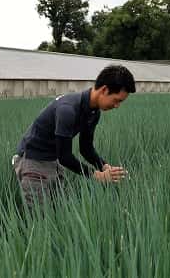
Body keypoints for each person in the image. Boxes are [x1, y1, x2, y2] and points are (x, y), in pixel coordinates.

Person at [12, 64, 135, 206]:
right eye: (117, 100)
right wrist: (98, 176)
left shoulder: (94, 112)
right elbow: (65, 157)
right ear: (104, 90)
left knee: (59, 210)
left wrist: (104, 166)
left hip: (53, 160)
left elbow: (86, 148)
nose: (117, 106)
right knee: (39, 218)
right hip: (33, 162)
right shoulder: (67, 110)